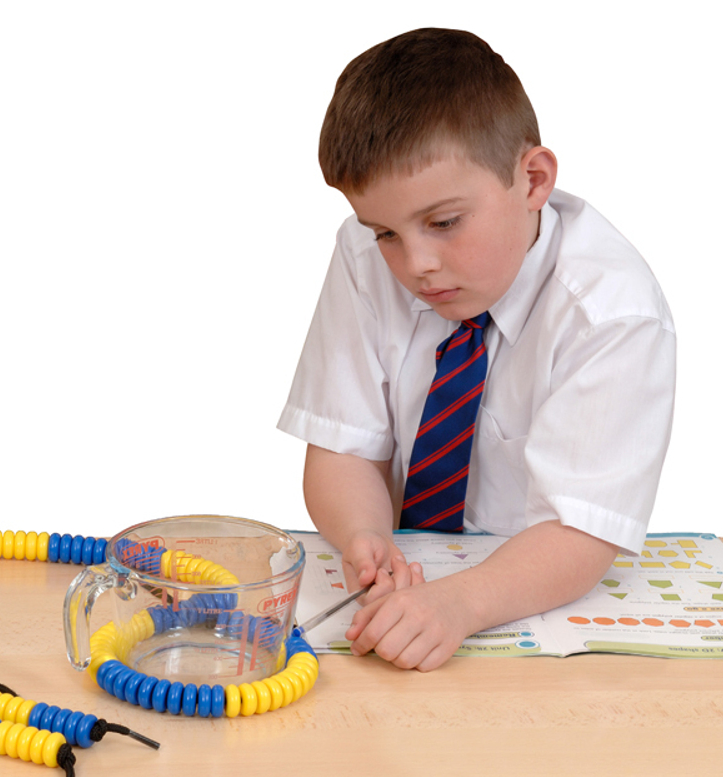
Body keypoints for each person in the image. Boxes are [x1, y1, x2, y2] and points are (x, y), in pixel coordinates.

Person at [277, 28, 676, 671]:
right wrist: (364, 534)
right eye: (385, 232)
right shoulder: (363, 258)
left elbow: (581, 529)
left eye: (444, 223)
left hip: (531, 604)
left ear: (533, 180)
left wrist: (460, 605)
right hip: (414, 591)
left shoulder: (612, 313)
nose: (416, 263)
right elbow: (342, 446)